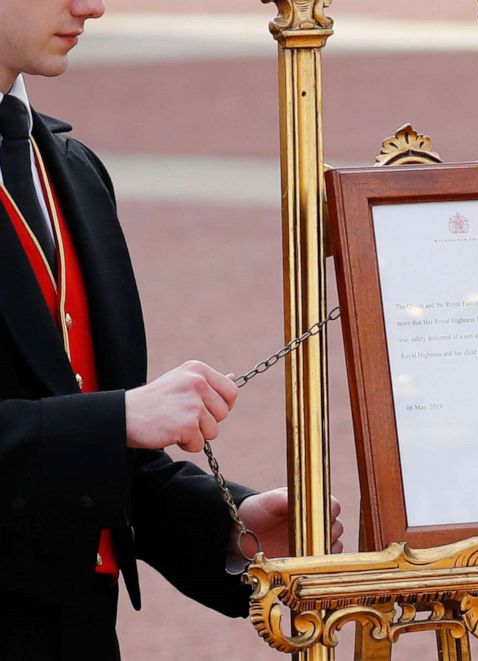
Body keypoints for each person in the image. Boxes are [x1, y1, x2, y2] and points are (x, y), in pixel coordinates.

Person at [0, 1, 343, 658]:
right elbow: (103, 426)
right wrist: (114, 419)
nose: (90, 5)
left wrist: (233, 527)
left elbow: (106, 464)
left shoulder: (72, 168)